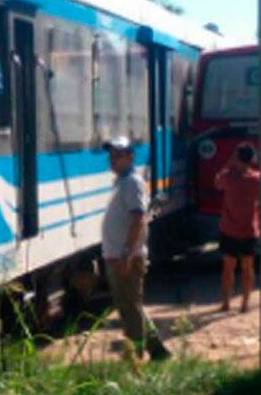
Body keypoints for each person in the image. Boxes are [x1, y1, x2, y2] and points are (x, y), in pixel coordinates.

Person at [101, 137, 171, 361]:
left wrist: (126, 254)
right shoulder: (122, 182)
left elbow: (138, 218)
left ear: (130, 157)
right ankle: (157, 350)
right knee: (133, 305)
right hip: (119, 255)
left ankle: (136, 355)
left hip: (126, 257)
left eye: (118, 156)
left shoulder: (132, 182)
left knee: (129, 308)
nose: (113, 160)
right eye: (111, 156)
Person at [215, 144, 261, 313]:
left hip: (229, 229)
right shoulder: (257, 178)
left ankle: (226, 303)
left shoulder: (228, 176)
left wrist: (228, 162)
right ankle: (244, 304)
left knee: (228, 268)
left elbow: (217, 182)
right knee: (248, 268)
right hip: (249, 229)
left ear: (237, 159)